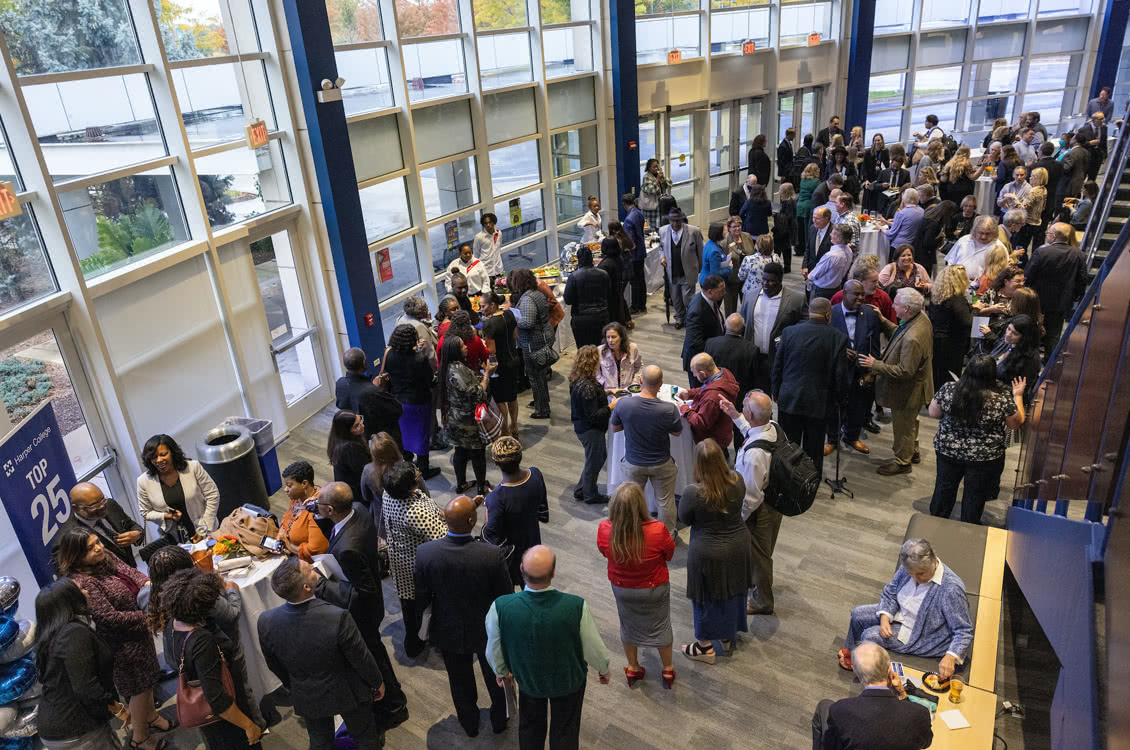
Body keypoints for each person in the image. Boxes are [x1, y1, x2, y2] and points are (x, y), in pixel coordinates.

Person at [485, 546, 610, 750]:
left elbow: (493, 647)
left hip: (528, 680)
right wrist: (603, 669)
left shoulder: (500, 606)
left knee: (530, 726)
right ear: (553, 572)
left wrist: (501, 671)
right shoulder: (576, 605)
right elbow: (592, 646)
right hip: (569, 681)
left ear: (521, 571)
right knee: (566, 729)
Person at [53, 528, 168, 750]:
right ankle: (140, 737)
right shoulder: (83, 582)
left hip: (140, 631)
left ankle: (152, 717)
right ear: (75, 555)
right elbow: (109, 618)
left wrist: (147, 586)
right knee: (139, 689)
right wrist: (147, 616)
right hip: (122, 644)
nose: (98, 548)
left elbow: (132, 572)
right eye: (90, 547)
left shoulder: (105, 557)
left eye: (97, 542)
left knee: (150, 678)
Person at [258, 557, 387, 750]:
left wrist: (295, 684)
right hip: (348, 691)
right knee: (365, 737)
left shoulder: (265, 621)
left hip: (307, 694)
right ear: (307, 588)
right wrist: (377, 682)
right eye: (309, 569)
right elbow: (361, 658)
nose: (313, 567)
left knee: (320, 742)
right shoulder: (338, 616)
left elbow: (274, 664)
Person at [310, 482, 409, 732]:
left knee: (373, 657)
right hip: (373, 603)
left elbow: (362, 592)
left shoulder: (348, 550)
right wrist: (317, 513)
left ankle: (394, 708)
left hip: (363, 613)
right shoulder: (357, 509)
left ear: (331, 509)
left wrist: (319, 585)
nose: (315, 505)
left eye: (320, 504)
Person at [415, 495, 513, 736]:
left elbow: (422, 596)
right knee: (497, 676)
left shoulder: (426, 553)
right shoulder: (491, 555)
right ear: (472, 520)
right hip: (488, 629)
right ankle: (500, 721)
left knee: (459, 681)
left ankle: (469, 724)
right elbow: (506, 596)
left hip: (447, 626)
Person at [839, 538, 973, 681]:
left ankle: (866, 670)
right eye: (911, 574)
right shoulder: (910, 566)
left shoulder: (951, 589)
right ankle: (852, 652)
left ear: (933, 562)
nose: (916, 579)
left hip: (920, 632)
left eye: (921, 574)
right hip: (901, 612)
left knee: (870, 635)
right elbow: (890, 592)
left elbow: (964, 630)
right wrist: (885, 617)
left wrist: (951, 656)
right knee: (857, 614)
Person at [162, 569, 263, 749]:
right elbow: (216, 698)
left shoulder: (172, 623)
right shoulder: (202, 640)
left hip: (206, 716)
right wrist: (248, 725)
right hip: (225, 719)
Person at [928, 355, 1028, 525]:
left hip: (948, 449)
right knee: (975, 493)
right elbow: (1015, 423)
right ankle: (968, 525)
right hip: (984, 456)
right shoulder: (1001, 398)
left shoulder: (949, 388)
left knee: (944, 486)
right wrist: (1018, 395)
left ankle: (936, 519)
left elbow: (933, 413)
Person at [678, 439, 753, 664]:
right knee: (733, 591)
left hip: (707, 550)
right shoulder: (738, 480)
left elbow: (684, 518)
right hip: (738, 545)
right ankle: (728, 636)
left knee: (705, 598)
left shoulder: (693, 492)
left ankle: (704, 648)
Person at [35, 578, 130, 750]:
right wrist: (118, 708)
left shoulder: (52, 635)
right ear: (70, 600)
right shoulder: (73, 633)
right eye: (81, 590)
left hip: (57, 724)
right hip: (75, 726)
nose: (87, 592)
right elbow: (86, 686)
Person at [597, 483, 676, 687]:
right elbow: (669, 554)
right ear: (642, 505)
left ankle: (633, 667)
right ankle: (667, 670)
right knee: (661, 625)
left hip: (622, 588)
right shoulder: (657, 529)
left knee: (627, 624)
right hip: (654, 587)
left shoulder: (605, 529)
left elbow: (605, 552)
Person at [859, 288, 933, 475]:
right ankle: (912, 452)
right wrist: (883, 320)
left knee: (903, 427)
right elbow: (899, 332)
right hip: (918, 386)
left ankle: (902, 461)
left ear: (907, 308)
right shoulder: (921, 318)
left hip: (908, 391)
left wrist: (875, 364)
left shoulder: (913, 338)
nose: (893, 306)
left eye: (897, 304)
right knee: (911, 423)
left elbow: (904, 371)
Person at [772, 298, 848, 475]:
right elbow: (841, 376)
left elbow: (778, 366)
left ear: (809, 312)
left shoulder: (789, 332)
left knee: (789, 445)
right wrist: (839, 400)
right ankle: (810, 481)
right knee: (814, 448)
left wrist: (776, 392)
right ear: (829, 315)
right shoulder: (838, 338)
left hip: (789, 398)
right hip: (819, 403)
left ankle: (788, 479)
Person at [812, 642, 933, 750]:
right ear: (889, 668)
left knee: (824, 705)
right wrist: (902, 694)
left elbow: (831, 746)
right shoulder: (920, 713)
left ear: (855, 670)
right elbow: (926, 743)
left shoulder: (840, 711)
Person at [380, 460, 446, 657]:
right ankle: (416, 642)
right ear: (409, 487)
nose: (419, 472)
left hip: (400, 560)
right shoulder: (416, 512)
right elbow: (443, 538)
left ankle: (414, 640)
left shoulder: (388, 494)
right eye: (416, 475)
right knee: (417, 608)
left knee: (409, 604)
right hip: (416, 567)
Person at [611, 365, 684, 542]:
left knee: (632, 500)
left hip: (633, 463)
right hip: (662, 463)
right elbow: (677, 432)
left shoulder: (624, 404)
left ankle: (631, 533)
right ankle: (667, 536)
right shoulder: (669, 409)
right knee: (665, 501)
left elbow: (615, 428)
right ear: (661, 384)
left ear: (641, 381)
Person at [483, 436, 549, 584]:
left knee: (510, 592)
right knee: (531, 585)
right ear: (520, 456)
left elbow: (491, 535)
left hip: (512, 555)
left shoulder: (496, 498)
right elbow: (541, 508)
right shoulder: (535, 474)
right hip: (533, 541)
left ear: (496, 463)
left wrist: (489, 505)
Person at [827, 281, 882, 455]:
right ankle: (832, 439)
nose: (860, 298)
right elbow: (824, 342)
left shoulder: (870, 314)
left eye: (862, 295)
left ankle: (852, 437)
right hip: (836, 370)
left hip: (861, 371)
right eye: (856, 294)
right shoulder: (830, 313)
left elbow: (875, 346)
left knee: (858, 406)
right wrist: (840, 351)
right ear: (844, 293)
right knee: (834, 406)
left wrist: (872, 373)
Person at [440, 335, 496, 494]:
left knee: (460, 452)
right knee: (477, 454)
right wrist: (487, 374)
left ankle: (461, 483)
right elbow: (478, 393)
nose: (466, 347)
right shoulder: (457, 371)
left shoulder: (447, 367)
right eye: (463, 345)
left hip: (454, 418)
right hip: (468, 421)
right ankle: (481, 487)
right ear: (456, 351)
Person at [136, 433, 220, 538]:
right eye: (153, 457)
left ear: (172, 452)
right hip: (174, 537)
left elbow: (212, 495)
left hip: (206, 530)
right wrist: (166, 516)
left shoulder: (193, 467)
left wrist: (204, 527)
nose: (158, 460)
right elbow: (145, 512)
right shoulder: (143, 481)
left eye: (163, 454)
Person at [1025, 221, 1089, 356]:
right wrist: (1076, 296)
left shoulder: (1042, 252)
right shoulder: (1079, 255)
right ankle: (1049, 363)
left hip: (1038, 301)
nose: (1046, 235)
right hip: (1061, 302)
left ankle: (1031, 361)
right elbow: (1082, 280)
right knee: (1054, 335)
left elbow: (1029, 275)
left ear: (1053, 236)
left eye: (1048, 233)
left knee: (1033, 331)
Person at [741, 262, 808, 391]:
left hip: (780, 359)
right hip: (753, 358)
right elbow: (743, 321)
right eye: (764, 279)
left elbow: (805, 324)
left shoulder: (796, 299)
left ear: (780, 281)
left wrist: (788, 337)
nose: (766, 284)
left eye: (771, 281)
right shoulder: (750, 296)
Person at [384, 323, 439, 479]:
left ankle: (407, 463)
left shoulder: (389, 355)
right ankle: (424, 469)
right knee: (422, 435)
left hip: (398, 401)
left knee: (404, 434)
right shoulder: (419, 358)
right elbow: (429, 380)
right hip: (419, 401)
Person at [60, 482, 143, 568]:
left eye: (103, 500)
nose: (102, 507)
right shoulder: (67, 539)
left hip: (133, 568)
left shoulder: (110, 505)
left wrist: (138, 534)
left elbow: (131, 524)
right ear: (76, 508)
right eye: (94, 506)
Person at [569, 345, 612, 505]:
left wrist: (605, 394)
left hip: (583, 427)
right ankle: (590, 494)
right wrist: (611, 406)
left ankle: (582, 489)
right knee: (595, 459)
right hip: (590, 430)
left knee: (596, 458)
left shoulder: (579, 380)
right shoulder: (587, 386)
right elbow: (594, 416)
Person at [335, 347, 404, 445]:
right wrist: (378, 389)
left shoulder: (340, 383)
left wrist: (372, 387)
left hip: (356, 436)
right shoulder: (372, 392)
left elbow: (341, 404)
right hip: (379, 436)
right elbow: (397, 409)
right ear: (364, 363)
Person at [512, 268, 554, 419]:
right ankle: (542, 400)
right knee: (541, 374)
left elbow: (528, 322)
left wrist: (514, 318)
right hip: (543, 338)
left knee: (535, 377)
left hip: (532, 343)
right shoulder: (537, 294)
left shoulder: (527, 299)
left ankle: (542, 409)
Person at [676, 353, 740, 452]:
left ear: (703, 374)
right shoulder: (724, 373)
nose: (693, 375)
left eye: (695, 374)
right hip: (722, 431)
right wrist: (690, 393)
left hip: (710, 442)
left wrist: (684, 408)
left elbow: (700, 423)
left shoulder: (712, 397)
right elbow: (706, 388)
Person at [479, 290, 521, 436]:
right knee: (512, 397)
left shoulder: (489, 324)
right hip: (514, 360)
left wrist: (482, 344)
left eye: (483, 306)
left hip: (501, 365)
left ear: (492, 305)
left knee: (500, 399)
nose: (481, 309)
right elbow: (515, 336)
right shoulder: (509, 314)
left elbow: (491, 350)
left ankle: (505, 430)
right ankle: (514, 426)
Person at [705, 313, 759, 420]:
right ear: (743, 329)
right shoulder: (752, 349)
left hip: (714, 395)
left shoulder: (710, 343)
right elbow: (755, 378)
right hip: (739, 399)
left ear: (725, 325)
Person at [929, 264, 974, 389]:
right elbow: (968, 321)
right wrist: (976, 309)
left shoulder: (937, 296)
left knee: (938, 374)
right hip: (952, 344)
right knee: (951, 376)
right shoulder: (956, 299)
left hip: (937, 341)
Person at [658, 209, 705, 328]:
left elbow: (700, 251)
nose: (675, 224)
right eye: (672, 221)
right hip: (672, 271)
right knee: (676, 299)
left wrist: (700, 268)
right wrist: (662, 256)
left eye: (677, 221)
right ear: (669, 220)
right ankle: (679, 318)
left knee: (687, 298)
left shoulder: (694, 231)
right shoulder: (663, 231)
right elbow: (661, 247)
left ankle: (691, 319)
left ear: (682, 220)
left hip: (688, 272)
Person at [278, 461, 328, 561]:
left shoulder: (317, 510)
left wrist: (288, 545)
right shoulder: (296, 497)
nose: (285, 489)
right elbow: (286, 519)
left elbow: (315, 552)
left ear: (304, 483)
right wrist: (280, 534)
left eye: (289, 485)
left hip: (307, 562)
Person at [682, 274, 726, 387]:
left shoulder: (709, 300)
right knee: (699, 392)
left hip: (706, 358)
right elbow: (695, 342)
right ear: (710, 292)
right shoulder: (696, 311)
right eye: (721, 290)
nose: (724, 293)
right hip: (699, 363)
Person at [563, 245, 611, 348]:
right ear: (592, 258)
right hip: (602, 316)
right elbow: (609, 293)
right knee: (602, 348)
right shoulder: (603, 274)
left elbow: (568, 300)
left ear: (579, 260)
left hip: (581, 319)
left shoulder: (574, 277)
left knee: (584, 350)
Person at [989, 315, 1042, 398]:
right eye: (1009, 329)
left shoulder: (1030, 359)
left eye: (1015, 333)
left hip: (1007, 398)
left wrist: (989, 380)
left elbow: (1019, 391)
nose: (1008, 334)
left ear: (1024, 338)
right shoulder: (1011, 343)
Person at [327, 409, 370, 504]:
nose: (362, 425)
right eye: (356, 426)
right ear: (347, 430)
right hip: (355, 491)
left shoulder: (337, 438)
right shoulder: (350, 448)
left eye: (360, 421)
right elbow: (365, 471)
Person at [945, 215, 1005, 282]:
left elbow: (1002, 273)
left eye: (988, 234)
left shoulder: (999, 247)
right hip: (957, 283)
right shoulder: (964, 240)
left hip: (982, 288)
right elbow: (950, 262)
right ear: (975, 231)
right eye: (981, 233)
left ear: (994, 233)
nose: (983, 237)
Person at [806, 224, 853, 299]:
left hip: (821, 290)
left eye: (833, 233)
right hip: (837, 287)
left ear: (839, 238)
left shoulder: (831, 256)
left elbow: (814, 275)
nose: (830, 234)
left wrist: (808, 276)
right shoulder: (849, 251)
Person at [599, 223, 633, 326]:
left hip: (611, 292)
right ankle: (626, 321)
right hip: (617, 287)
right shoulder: (618, 258)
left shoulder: (606, 264)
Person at [622, 193, 649, 314]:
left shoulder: (628, 220)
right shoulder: (639, 213)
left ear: (624, 204)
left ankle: (635, 306)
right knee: (641, 280)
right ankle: (642, 305)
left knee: (634, 282)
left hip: (634, 255)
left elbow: (630, 241)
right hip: (641, 252)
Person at [597, 321, 642, 391]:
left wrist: (634, 384)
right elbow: (596, 372)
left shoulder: (633, 348)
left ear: (621, 337)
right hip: (609, 393)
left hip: (629, 390)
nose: (610, 340)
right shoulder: (599, 350)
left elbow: (639, 367)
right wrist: (604, 385)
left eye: (613, 337)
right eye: (608, 337)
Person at [738, 233, 783, 302]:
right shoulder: (776, 258)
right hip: (771, 292)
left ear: (757, 246)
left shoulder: (749, 259)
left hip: (751, 293)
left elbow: (741, 277)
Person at [396, 296, 438, 364]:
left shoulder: (400, 319)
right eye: (426, 307)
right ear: (420, 311)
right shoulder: (419, 327)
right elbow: (429, 353)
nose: (428, 309)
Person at [1056, 131, 1090, 206]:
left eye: (1072, 138)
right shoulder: (1086, 152)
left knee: (1062, 207)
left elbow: (1066, 169)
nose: (1070, 139)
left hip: (1067, 186)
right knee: (1070, 206)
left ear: (1075, 140)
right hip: (1078, 184)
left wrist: (1058, 165)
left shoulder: (1071, 153)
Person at [640, 158, 672, 229]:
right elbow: (651, 190)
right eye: (654, 167)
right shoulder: (646, 177)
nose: (656, 168)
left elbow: (669, 184)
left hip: (661, 206)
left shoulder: (659, 175)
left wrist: (663, 177)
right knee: (653, 228)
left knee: (662, 226)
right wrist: (657, 179)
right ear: (649, 168)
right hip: (651, 209)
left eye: (657, 166)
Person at [699, 221, 732, 288]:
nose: (726, 232)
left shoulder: (710, 242)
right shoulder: (714, 252)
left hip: (704, 278)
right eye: (724, 230)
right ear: (718, 233)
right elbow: (715, 273)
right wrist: (729, 268)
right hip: (710, 285)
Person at [803, 205, 834, 276]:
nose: (814, 221)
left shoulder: (834, 232)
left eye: (817, 218)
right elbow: (808, 249)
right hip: (811, 270)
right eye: (813, 217)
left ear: (826, 219)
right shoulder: (812, 228)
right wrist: (804, 266)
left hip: (825, 273)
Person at [473, 213, 505, 281]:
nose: (488, 225)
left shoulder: (499, 233)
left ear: (494, 222)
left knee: (502, 290)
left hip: (498, 269)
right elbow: (476, 255)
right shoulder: (479, 237)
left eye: (490, 222)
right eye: (485, 223)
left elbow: (499, 248)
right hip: (486, 272)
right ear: (483, 224)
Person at [797, 163, 822, 235]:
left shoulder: (802, 180)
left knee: (800, 230)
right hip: (808, 207)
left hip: (799, 205)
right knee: (806, 231)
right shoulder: (817, 182)